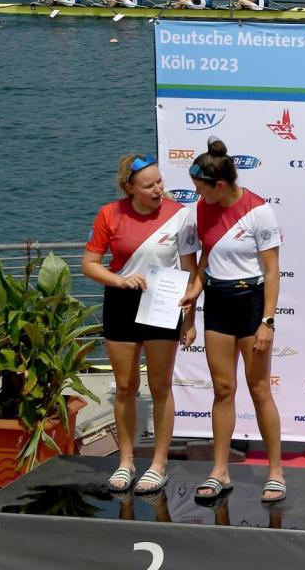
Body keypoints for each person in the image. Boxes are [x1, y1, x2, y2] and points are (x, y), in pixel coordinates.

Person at [82, 153, 200, 496]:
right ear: (129, 187)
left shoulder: (180, 215)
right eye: (148, 186)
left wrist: (190, 319)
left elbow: (191, 272)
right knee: (125, 386)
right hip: (121, 302)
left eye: (159, 181)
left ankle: (159, 464)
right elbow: (90, 264)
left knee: (160, 387)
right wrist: (120, 281)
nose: (158, 189)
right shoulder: (109, 214)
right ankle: (126, 462)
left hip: (162, 304)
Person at [181, 139, 286, 504]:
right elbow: (205, 260)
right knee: (223, 390)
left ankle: (275, 472)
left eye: (201, 188)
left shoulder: (259, 211)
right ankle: (219, 471)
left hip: (252, 304)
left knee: (259, 389)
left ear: (221, 185)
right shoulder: (202, 208)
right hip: (218, 304)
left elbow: (272, 272)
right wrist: (193, 295)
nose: (198, 195)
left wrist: (267, 321)